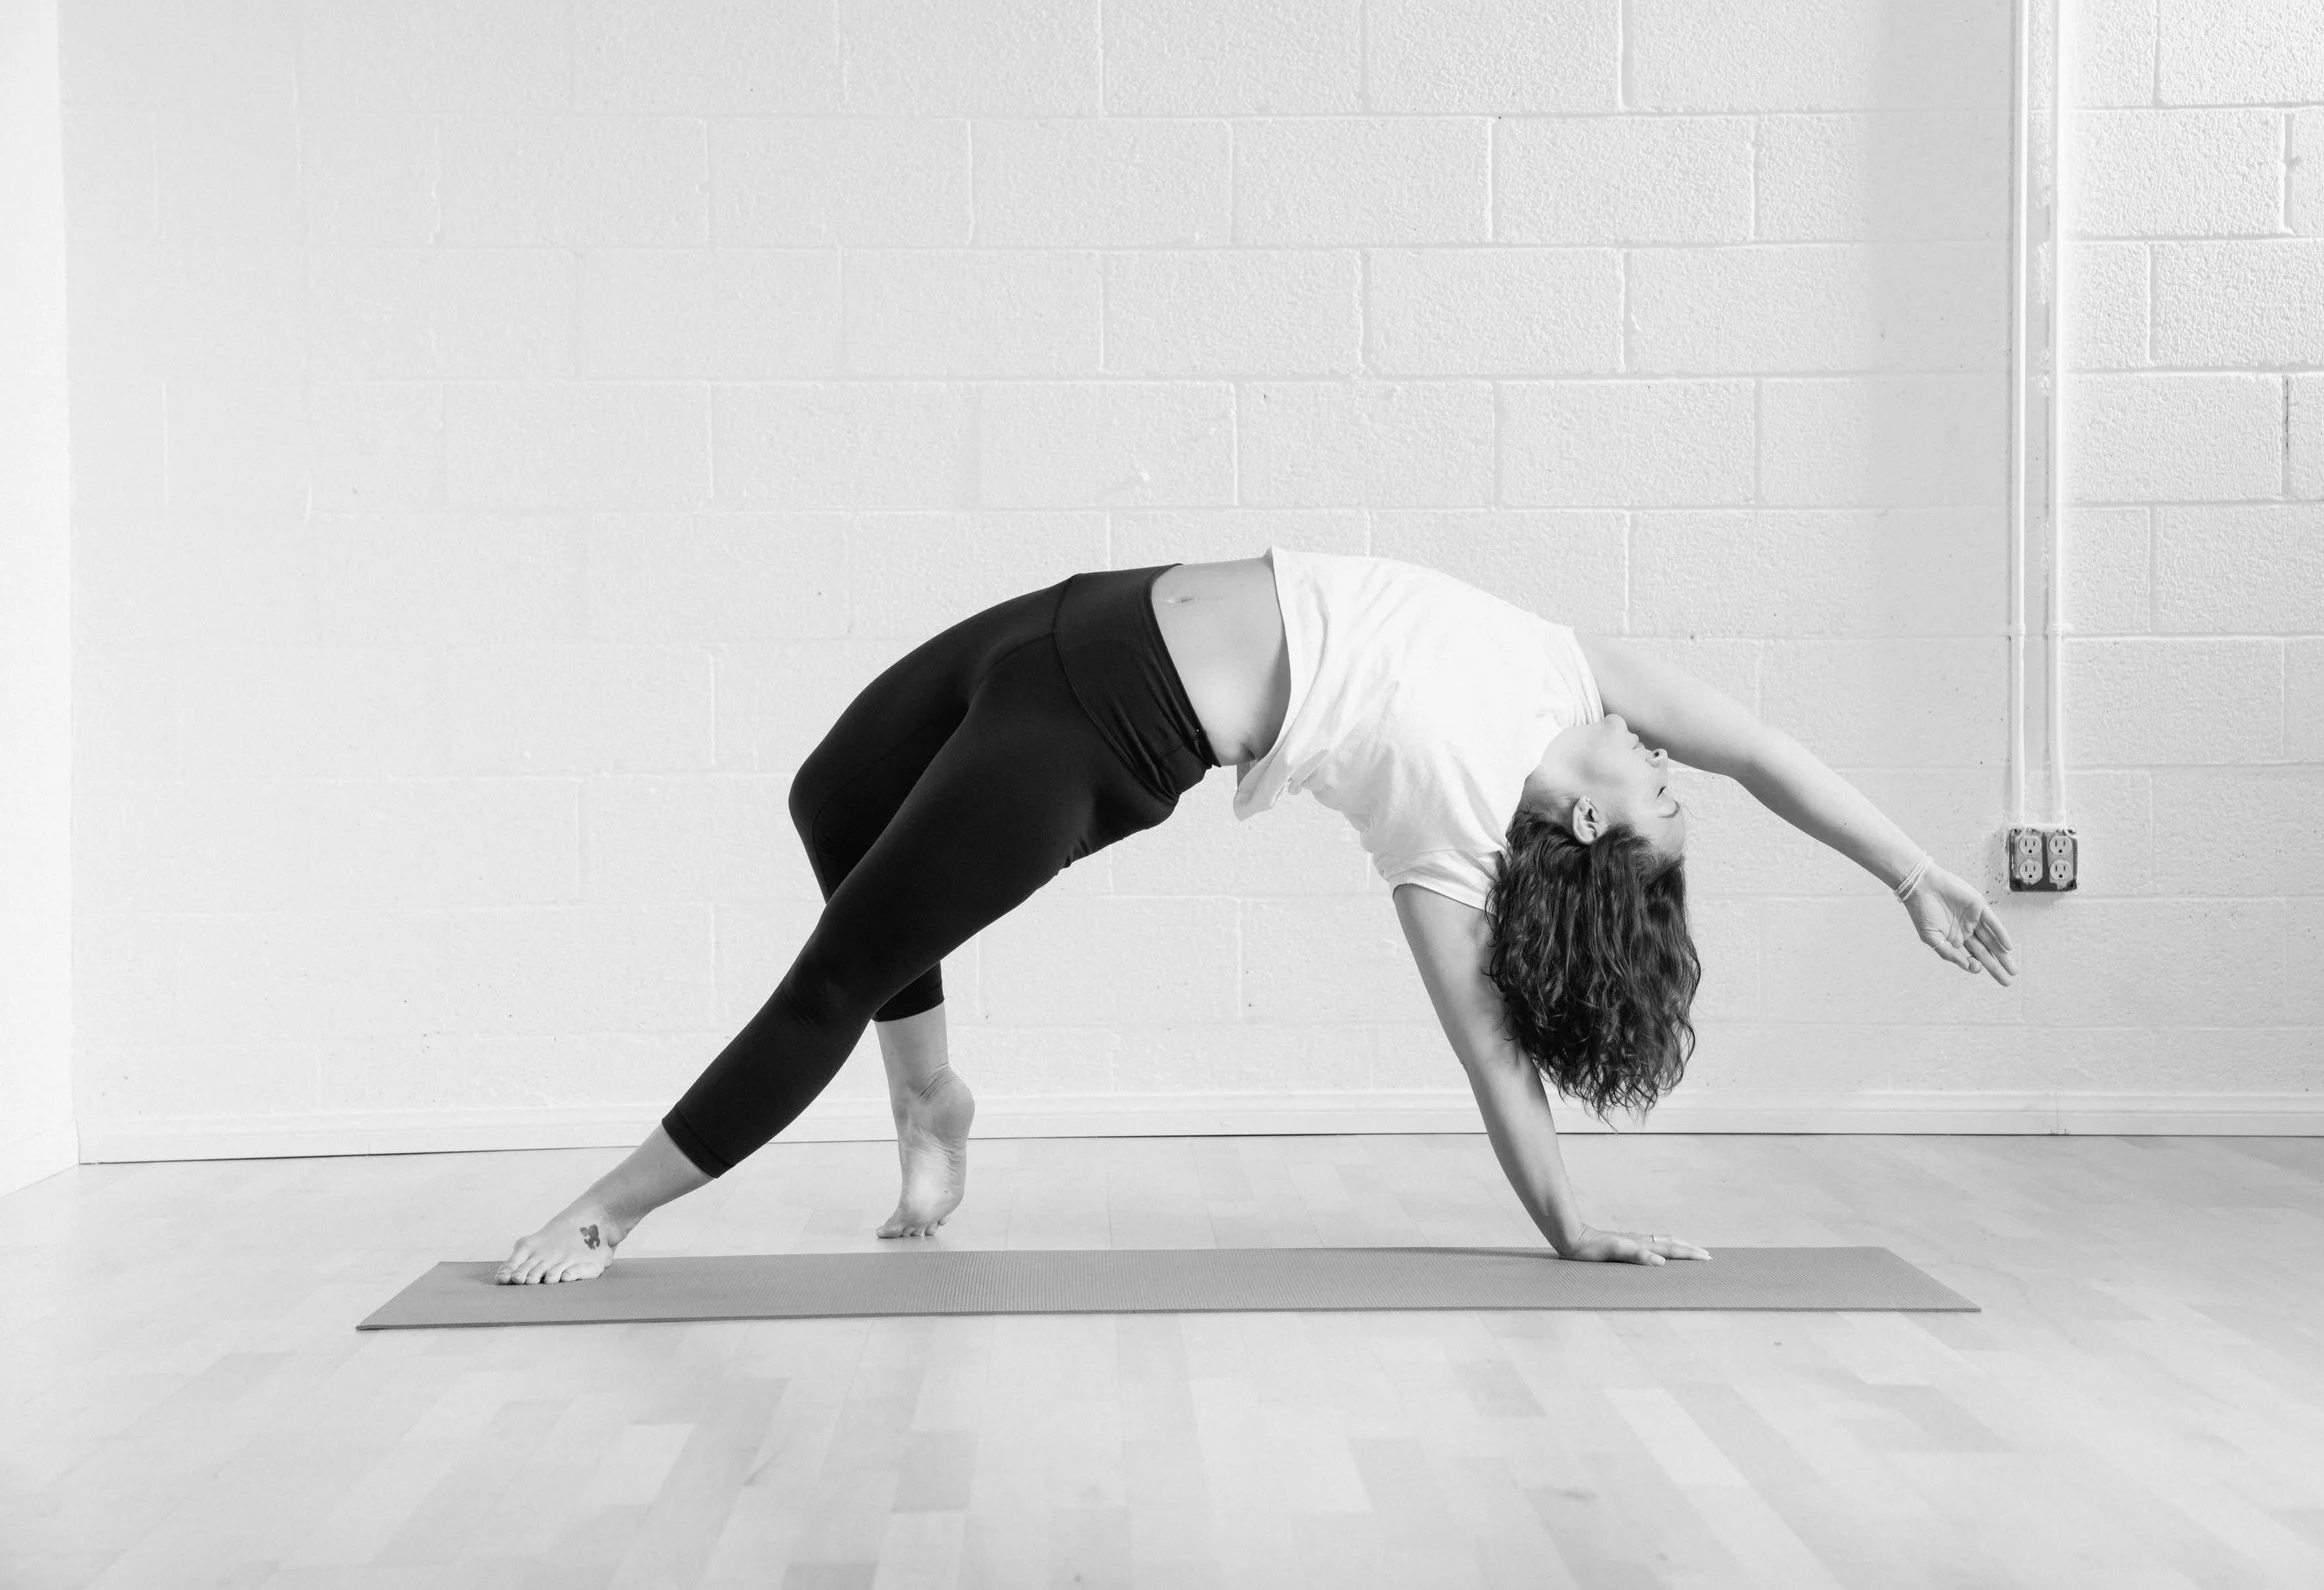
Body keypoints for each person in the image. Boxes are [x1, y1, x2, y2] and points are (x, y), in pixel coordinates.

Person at [497, 547, 2016, 1285]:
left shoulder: (1450, 834)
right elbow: (1767, 753)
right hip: (1076, 613)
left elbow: (1491, 1055)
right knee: (830, 800)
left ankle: (609, 1209)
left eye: (1662, 800)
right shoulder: (1577, 672)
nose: (1673, 766)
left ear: (1591, 828)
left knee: (836, 973)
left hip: (1102, 734)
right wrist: (1912, 871)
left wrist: (1570, 1222)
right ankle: (933, 1098)